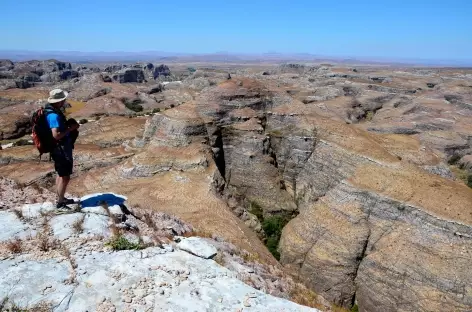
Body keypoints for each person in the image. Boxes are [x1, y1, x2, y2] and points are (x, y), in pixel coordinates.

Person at [45, 89, 80, 208]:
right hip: (61, 149)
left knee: (60, 174)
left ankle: (60, 198)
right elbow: (56, 135)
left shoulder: (53, 111)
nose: (65, 101)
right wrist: (71, 129)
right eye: (63, 99)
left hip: (60, 148)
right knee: (65, 176)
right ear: (59, 101)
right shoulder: (53, 115)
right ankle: (60, 204)